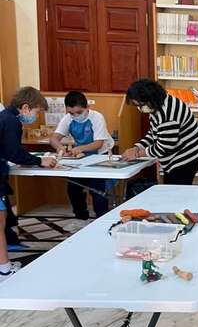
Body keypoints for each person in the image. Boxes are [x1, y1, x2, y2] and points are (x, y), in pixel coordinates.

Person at [0, 87, 57, 281]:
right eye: (37, 112)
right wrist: (40, 161)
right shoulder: (11, 121)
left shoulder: (4, 117)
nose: (36, 116)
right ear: (25, 107)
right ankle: (4, 270)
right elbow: (14, 153)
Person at [122, 79, 198, 185]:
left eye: (141, 105)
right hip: (177, 156)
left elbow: (164, 147)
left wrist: (137, 154)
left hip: (186, 158)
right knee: (170, 189)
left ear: (150, 99)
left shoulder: (167, 115)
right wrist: (137, 147)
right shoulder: (157, 104)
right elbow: (154, 133)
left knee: (176, 192)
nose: (140, 109)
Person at [49, 91, 114, 219]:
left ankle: (101, 219)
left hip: (101, 156)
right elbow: (54, 139)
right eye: (71, 113)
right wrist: (60, 147)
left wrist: (79, 148)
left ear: (87, 107)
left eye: (79, 112)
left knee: (98, 191)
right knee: (73, 188)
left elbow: (98, 143)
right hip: (81, 157)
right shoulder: (68, 119)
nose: (75, 116)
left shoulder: (97, 117)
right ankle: (81, 216)